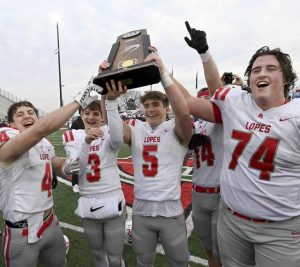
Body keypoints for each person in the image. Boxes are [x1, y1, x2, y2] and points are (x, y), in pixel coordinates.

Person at [177, 21, 300, 267]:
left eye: (271, 68)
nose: (262, 73)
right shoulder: (239, 104)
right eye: (256, 70)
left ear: (286, 77)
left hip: (280, 228)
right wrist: (200, 56)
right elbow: (210, 94)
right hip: (232, 219)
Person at [103, 48, 193, 267]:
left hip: (169, 208)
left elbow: (184, 112)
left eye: (156, 105)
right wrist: (106, 92)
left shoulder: (177, 128)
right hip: (142, 209)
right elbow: (113, 126)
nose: (150, 109)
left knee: (179, 261)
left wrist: (162, 74)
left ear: (166, 107)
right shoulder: (136, 129)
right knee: (143, 260)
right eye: (147, 106)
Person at [0, 78, 102, 267]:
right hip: (22, 230)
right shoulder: (7, 141)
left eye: (31, 112)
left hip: (51, 222)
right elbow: (41, 129)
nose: (27, 116)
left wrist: (69, 167)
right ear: (12, 125)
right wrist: (83, 95)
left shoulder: (44, 144)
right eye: (20, 114)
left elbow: (58, 166)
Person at [62, 100, 126, 267]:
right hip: (88, 201)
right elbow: (77, 168)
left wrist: (109, 100)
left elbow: (118, 140)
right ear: (81, 115)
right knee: (97, 253)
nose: (91, 117)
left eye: (96, 113)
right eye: (87, 113)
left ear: (102, 118)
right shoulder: (73, 136)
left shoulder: (109, 132)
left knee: (114, 256)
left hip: (112, 198)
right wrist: (86, 144)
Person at [69, 107, 85, 193]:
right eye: (84, 110)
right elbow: (71, 136)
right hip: (77, 147)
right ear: (80, 112)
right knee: (76, 166)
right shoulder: (76, 122)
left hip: (86, 146)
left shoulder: (88, 121)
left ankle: (83, 182)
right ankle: (75, 184)